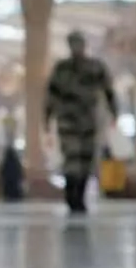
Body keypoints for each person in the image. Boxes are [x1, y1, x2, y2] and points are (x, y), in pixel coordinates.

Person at [45, 30, 118, 214]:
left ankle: (80, 196)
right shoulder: (61, 69)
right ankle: (72, 196)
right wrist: (47, 118)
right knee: (71, 159)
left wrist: (114, 112)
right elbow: (51, 95)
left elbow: (108, 91)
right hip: (68, 121)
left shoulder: (95, 67)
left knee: (87, 159)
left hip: (88, 121)